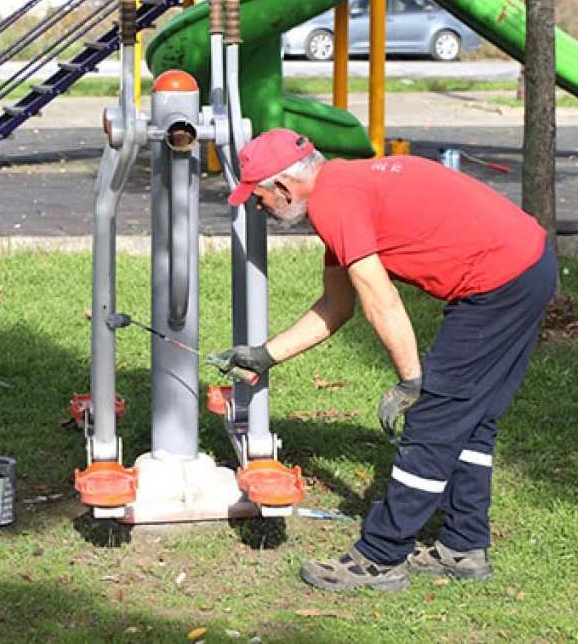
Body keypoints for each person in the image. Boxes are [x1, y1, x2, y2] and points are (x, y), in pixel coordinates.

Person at [217, 129, 557, 592]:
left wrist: (411, 381)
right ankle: (463, 546)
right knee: (472, 416)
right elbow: (337, 307)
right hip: (528, 265)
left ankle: (380, 556)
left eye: (259, 198)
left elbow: (381, 298)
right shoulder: (342, 187)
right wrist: (264, 355)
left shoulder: (333, 203)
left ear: (284, 187)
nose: (259, 208)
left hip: (499, 281)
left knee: (433, 418)